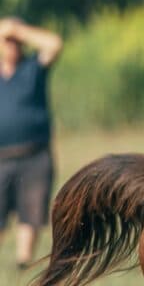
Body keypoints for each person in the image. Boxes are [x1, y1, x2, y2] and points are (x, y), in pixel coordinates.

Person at [0, 17, 63, 270]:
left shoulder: (33, 68)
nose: (12, 45)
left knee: (31, 213)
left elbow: (54, 43)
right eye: (7, 41)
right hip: (1, 157)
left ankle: (22, 263)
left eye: (16, 42)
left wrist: (17, 29)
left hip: (34, 155)